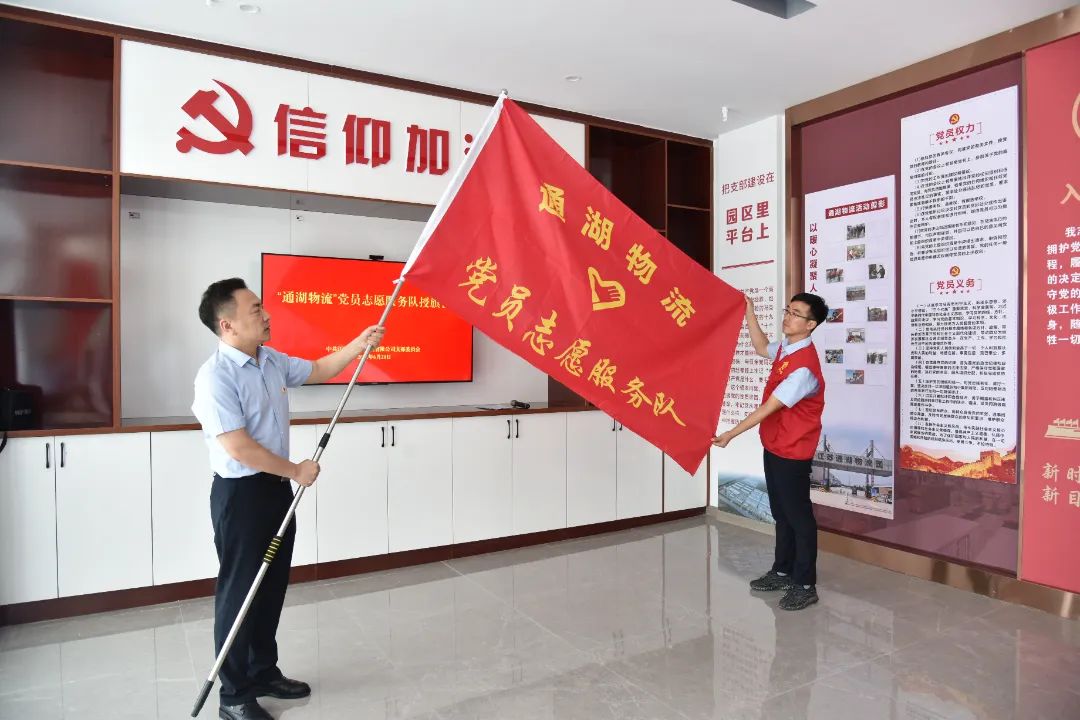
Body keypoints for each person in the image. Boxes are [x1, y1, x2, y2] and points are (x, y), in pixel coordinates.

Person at [192, 278, 385, 720]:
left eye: (262, 307)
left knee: (271, 585)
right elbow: (237, 447)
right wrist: (296, 470)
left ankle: (262, 671)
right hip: (242, 495)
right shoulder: (215, 377)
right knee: (242, 592)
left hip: (276, 491)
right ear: (227, 324)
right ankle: (234, 696)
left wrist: (359, 344)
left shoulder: (271, 360)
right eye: (255, 309)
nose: (266, 315)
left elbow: (317, 369)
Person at [712, 292, 828, 611]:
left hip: (793, 451)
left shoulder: (804, 368)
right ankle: (782, 571)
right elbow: (762, 346)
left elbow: (770, 407)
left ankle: (805, 584)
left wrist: (730, 434)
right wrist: (749, 311)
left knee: (799, 518)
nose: (787, 317)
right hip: (776, 444)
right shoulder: (787, 349)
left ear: (811, 324)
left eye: (796, 314)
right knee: (781, 513)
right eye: (788, 310)